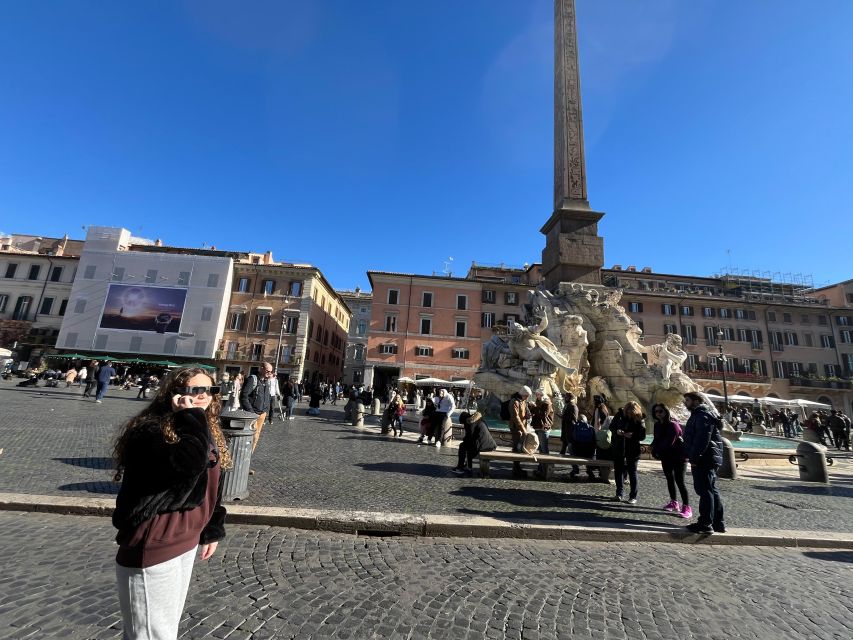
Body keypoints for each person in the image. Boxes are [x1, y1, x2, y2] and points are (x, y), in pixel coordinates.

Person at [112, 367, 231, 639]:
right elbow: (188, 465)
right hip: (154, 541)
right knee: (151, 634)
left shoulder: (202, 428)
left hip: (185, 539)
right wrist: (190, 417)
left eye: (210, 391)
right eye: (196, 390)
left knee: (166, 627)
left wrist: (211, 528)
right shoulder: (151, 429)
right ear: (175, 393)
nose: (204, 396)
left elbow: (212, 483)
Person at [682, 391, 726, 534]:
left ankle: (705, 523)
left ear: (695, 401)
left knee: (705, 490)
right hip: (708, 457)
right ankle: (718, 523)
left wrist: (694, 458)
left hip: (704, 459)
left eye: (687, 400)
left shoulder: (702, 416)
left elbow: (702, 440)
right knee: (711, 490)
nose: (685, 403)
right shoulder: (703, 414)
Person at [650, 403, 691, 519]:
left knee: (680, 481)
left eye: (661, 411)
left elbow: (669, 442)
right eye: (656, 411)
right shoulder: (657, 425)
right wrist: (653, 448)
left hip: (679, 457)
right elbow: (656, 439)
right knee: (669, 479)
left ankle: (687, 507)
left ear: (666, 411)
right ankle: (674, 502)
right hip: (666, 457)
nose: (658, 413)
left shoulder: (673, 425)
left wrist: (657, 450)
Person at [609, 401, 646, 503]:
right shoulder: (620, 414)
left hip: (633, 448)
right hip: (619, 447)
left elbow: (642, 435)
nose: (629, 415)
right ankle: (619, 494)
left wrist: (632, 435)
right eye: (628, 412)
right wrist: (617, 431)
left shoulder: (640, 418)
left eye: (631, 413)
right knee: (618, 470)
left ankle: (633, 496)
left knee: (632, 472)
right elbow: (612, 426)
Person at [453, 411, 497, 475]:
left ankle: (460, 467)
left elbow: (469, 437)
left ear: (464, 420)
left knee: (462, 446)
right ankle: (468, 467)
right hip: (490, 444)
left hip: (484, 446)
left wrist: (464, 439)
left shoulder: (469, 423)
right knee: (468, 446)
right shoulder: (479, 419)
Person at [508, 386, 532, 478]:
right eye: (527, 396)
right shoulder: (514, 402)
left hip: (521, 427)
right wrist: (523, 429)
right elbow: (515, 417)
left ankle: (517, 467)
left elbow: (523, 413)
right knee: (516, 447)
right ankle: (516, 468)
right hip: (516, 428)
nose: (528, 398)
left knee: (519, 447)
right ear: (523, 394)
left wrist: (528, 415)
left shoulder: (522, 401)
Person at [531, 389, 554, 477]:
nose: (536, 396)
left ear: (542, 395)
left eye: (538, 394)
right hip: (537, 426)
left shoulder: (547, 403)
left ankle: (546, 468)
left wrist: (535, 407)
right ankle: (541, 467)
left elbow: (543, 415)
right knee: (540, 448)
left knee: (544, 449)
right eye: (536, 394)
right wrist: (531, 407)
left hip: (543, 427)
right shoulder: (539, 401)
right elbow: (535, 413)